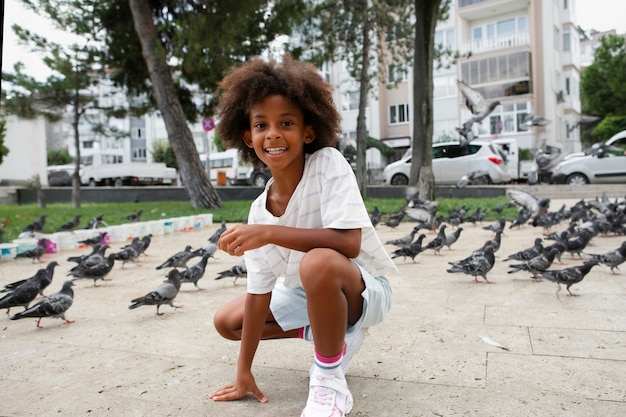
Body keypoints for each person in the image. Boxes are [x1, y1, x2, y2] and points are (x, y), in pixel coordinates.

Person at [209, 55, 396, 416]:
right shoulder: (258, 212)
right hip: (305, 293)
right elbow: (258, 293)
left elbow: (347, 243)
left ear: (307, 132)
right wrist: (243, 371)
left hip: (362, 290)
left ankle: (328, 380)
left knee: (319, 261)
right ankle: (326, 333)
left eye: (287, 123)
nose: (273, 133)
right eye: (261, 125)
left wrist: (268, 232)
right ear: (248, 137)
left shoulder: (327, 164)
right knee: (228, 323)